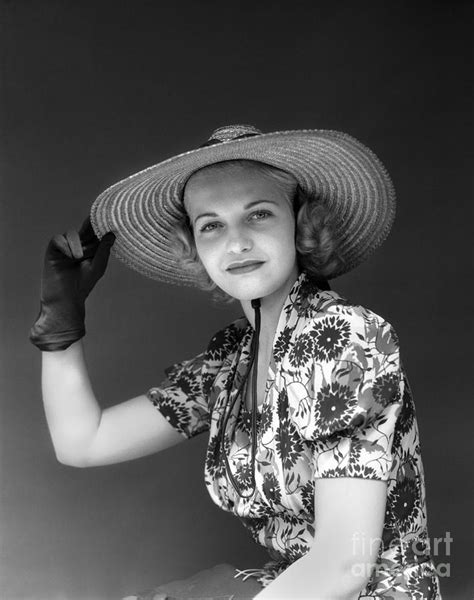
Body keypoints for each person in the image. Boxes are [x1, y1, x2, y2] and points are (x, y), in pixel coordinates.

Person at [29, 124, 442, 599]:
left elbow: (344, 564)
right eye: (211, 225)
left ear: (300, 224)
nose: (236, 243)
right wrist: (62, 327)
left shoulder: (347, 338)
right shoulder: (230, 363)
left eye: (259, 214)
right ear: (195, 247)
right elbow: (83, 442)